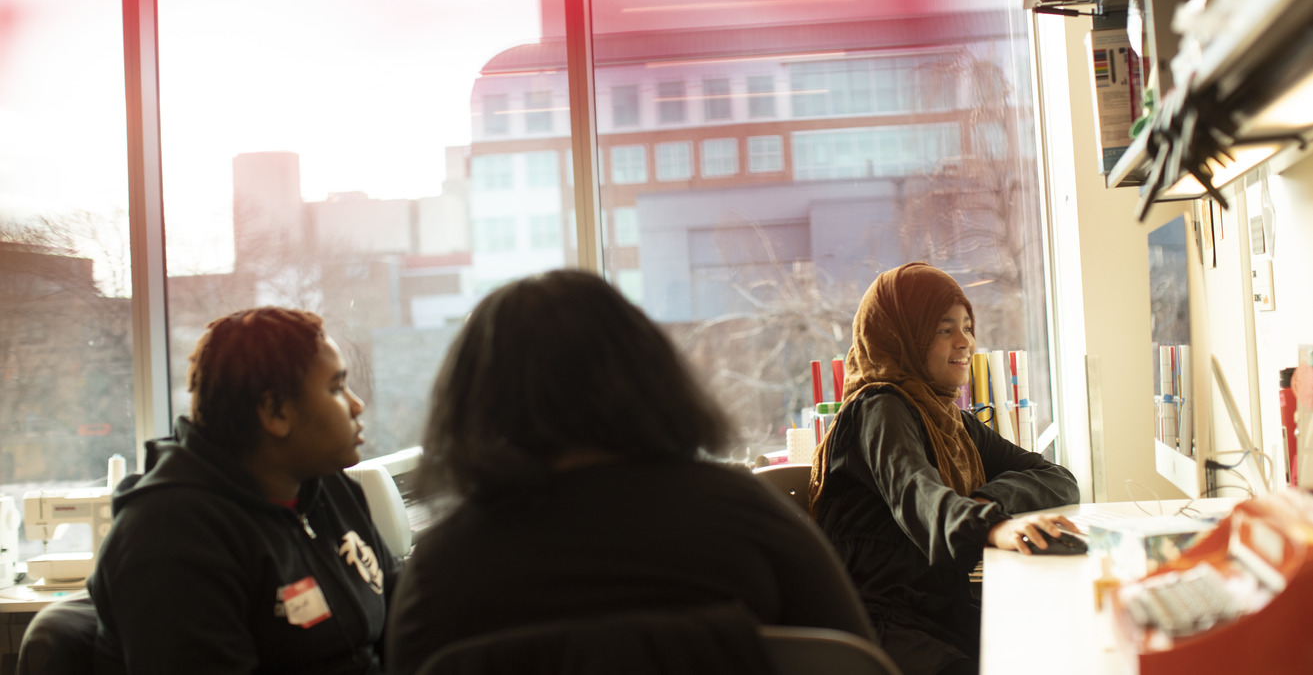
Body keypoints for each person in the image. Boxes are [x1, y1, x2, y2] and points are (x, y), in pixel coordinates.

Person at [386, 269, 876, 675]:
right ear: (648, 375)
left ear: (473, 402)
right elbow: (856, 660)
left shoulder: (440, 573)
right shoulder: (746, 516)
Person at [88, 307, 401, 675]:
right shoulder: (171, 538)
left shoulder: (327, 486)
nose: (356, 405)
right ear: (275, 412)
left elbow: (404, 616)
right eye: (335, 388)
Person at [808, 262, 1080, 675]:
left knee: (1055, 645)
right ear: (901, 337)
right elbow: (921, 498)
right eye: (943, 329)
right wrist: (992, 526)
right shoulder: (879, 409)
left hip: (932, 612)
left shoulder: (948, 418)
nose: (965, 341)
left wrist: (988, 499)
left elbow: (1057, 479)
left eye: (968, 326)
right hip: (877, 626)